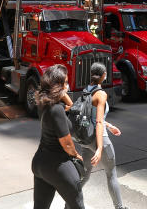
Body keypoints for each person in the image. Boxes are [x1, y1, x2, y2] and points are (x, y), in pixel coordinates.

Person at [32, 65, 86, 209]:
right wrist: (76, 155)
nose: (68, 86)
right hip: (58, 165)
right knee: (78, 205)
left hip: (39, 163)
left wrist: (61, 91)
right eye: (66, 83)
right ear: (58, 85)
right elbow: (66, 143)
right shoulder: (57, 110)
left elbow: (70, 105)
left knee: (40, 206)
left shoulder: (43, 104)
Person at [77, 63, 127, 209]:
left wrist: (109, 126)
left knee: (84, 176)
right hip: (100, 139)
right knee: (111, 174)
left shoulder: (86, 90)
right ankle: (119, 207)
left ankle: (69, 203)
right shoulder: (101, 94)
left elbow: (91, 117)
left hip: (86, 138)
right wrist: (99, 148)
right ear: (104, 75)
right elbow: (98, 121)